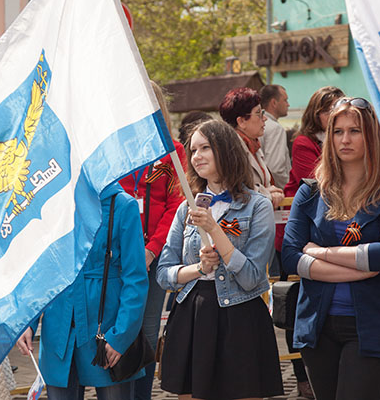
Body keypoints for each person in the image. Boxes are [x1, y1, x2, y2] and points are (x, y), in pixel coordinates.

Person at [281, 97, 380, 400]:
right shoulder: (310, 191)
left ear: (371, 136)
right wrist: (361, 268)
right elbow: (289, 256)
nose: (345, 139)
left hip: (373, 325)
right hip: (317, 325)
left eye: (354, 131)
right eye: (337, 131)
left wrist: (319, 252)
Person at [157, 119, 283, 400]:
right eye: (193, 150)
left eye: (205, 148)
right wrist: (198, 269)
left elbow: (252, 277)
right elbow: (164, 274)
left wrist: (215, 229)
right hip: (194, 313)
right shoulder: (184, 209)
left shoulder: (257, 205)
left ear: (225, 150)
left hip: (241, 315)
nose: (196, 156)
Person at [16, 183, 148, 400]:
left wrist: (121, 335)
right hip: (59, 326)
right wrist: (26, 322)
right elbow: (39, 269)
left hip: (107, 327)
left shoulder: (122, 205)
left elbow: (135, 278)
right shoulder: (51, 202)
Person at [276, 86, 345, 398]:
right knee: (296, 302)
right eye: (326, 109)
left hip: (339, 233)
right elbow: (319, 179)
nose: (332, 115)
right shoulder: (304, 141)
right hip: (305, 231)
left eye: (337, 107)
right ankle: (302, 376)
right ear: (316, 113)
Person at [119, 81, 185, 400]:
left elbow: (175, 204)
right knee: (119, 330)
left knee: (146, 333)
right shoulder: (114, 146)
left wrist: (152, 249)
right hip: (117, 256)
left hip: (153, 255)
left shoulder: (172, 150)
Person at [218, 87, 284, 209]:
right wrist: (267, 193)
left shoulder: (254, 145)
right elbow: (236, 190)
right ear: (242, 121)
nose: (265, 118)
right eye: (259, 113)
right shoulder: (230, 150)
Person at [259, 84, 291, 189]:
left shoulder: (258, 126)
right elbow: (276, 168)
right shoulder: (275, 128)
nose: (288, 104)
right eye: (285, 100)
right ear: (274, 103)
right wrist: (287, 189)